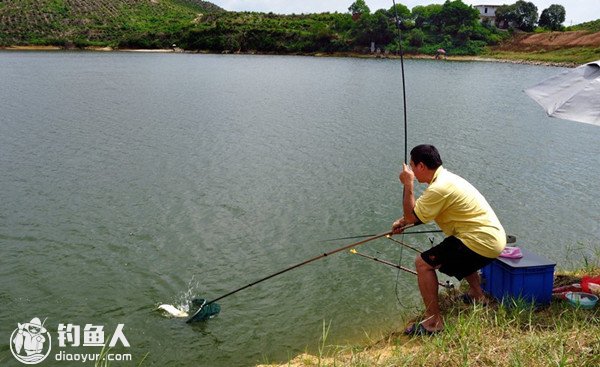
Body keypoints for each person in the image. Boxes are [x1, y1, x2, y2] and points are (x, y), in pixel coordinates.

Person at [392, 144, 506, 335]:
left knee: (423, 263)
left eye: (412, 166)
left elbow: (414, 216)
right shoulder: (446, 179)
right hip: (491, 239)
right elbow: (419, 214)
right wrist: (404, 221)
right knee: (455, 244)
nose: (410, 171)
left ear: (421, 166)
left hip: (480, 241)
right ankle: (478, 295)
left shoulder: (438, 188)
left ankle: (433, 322)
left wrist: (408, 184)